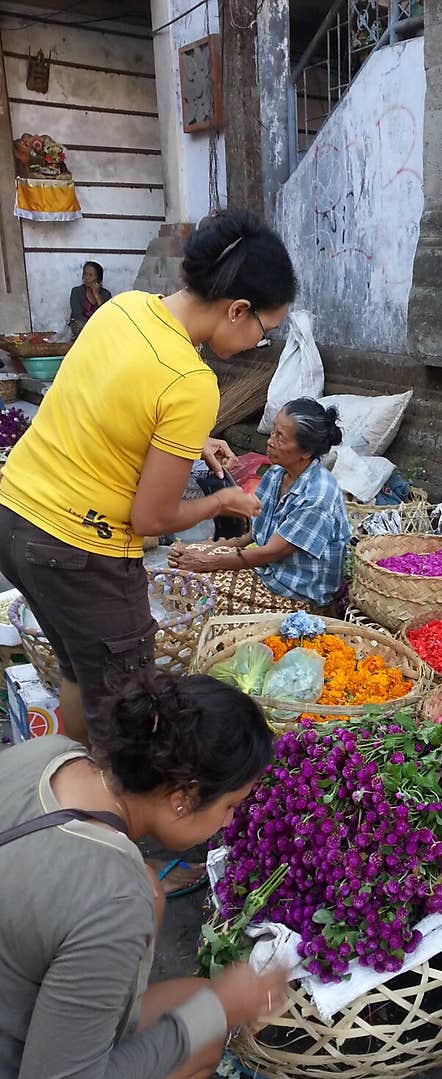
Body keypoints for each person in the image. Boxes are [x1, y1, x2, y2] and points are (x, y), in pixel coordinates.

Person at [0, 210, 296, 746]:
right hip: (79, 547)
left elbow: (108, 402)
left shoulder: (127, 308)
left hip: (16, 515)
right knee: (129, 707)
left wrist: (190, 443)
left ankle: (71, 784)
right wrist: (220, 502)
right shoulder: (189, 379)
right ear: (238, 309)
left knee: (78, 671)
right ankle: (109, 820)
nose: (259, 343)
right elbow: (153, 518)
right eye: (264, 330)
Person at [0, 669, 289, 1079]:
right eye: (230, 806)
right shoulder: (114, 902)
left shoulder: (42, 757)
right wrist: (221, 1007)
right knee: (202, 1027)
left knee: (186, 998)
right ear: (183, 795)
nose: (229, 823)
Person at [170, 398, 350, 615]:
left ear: (306, 452)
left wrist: (208, 562)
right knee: (180, 565)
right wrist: (205, 548)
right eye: (273, 432)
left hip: (296, 594)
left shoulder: (317, 496)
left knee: (193, 584)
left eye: (280, 437)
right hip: (269, 571)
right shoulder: (277, 474)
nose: (270, 441)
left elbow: (269, 553)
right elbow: (254, 532)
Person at [68, 261, 112, 339]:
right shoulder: (76, 292)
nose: (86, 278)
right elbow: (77, 315)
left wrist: (97, 295)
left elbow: (106, 316)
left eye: (90, 275)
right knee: (80, 324)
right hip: (81, 327)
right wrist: (93, 326)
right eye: (85, 274)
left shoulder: (106, 294)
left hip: (98, 327)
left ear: (98, 278)